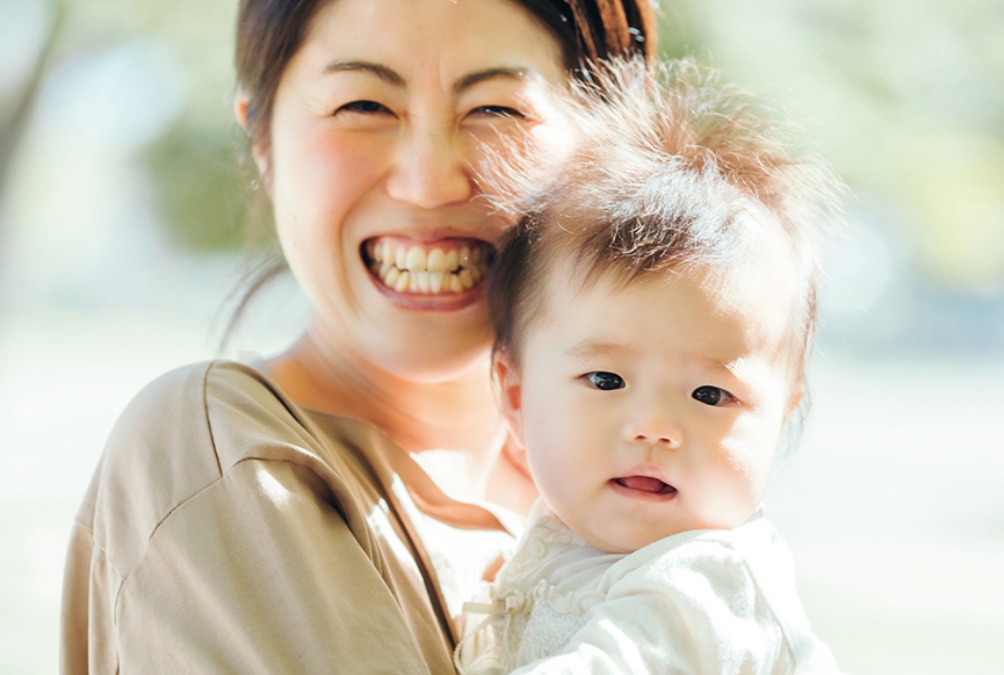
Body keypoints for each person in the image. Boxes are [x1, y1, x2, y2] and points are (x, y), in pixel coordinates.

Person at [60, 1, 655, 673]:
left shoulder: (658, 476)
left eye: (496, 108)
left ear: (611, 146)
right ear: (262, 142)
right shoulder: (220, 455)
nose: (429, 182)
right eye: (363, 105)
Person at [454, 57, 845, 673]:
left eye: (710, 395)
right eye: (606, 380)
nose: (654, 427)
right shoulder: (564, 533)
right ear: (517, 396)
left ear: (781, 416)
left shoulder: (706, 581)